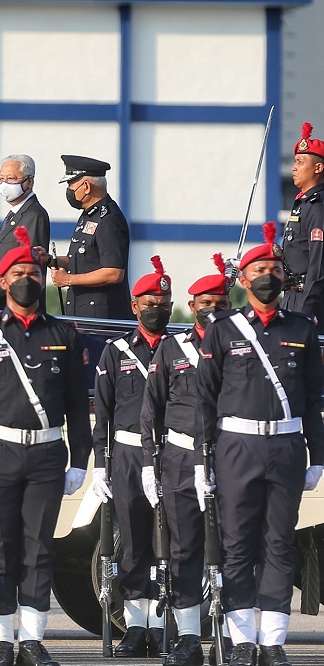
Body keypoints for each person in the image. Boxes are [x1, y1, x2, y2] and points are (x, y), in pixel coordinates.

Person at [0, 227, 90, 666]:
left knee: (38, 548)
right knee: (0, 548)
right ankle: (0, 641)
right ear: (5, 280)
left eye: (34, 271)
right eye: (19, 272)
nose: (28, 278)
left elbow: (74, 402)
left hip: (48, 456)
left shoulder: (65, 333)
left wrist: (80, 460)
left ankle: (31, 639)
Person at [196, 222, 323, 666]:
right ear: (244, 279)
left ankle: (272, 641)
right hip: (236, 448)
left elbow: (312, 397)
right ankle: (242, 639)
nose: (268, 275)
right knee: (237, 544)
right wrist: (203, 459)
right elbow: (205, 399)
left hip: (286, 449)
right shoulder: (222, 329)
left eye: (274, 267)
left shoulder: (303, 328)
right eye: (259, 269)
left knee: (279, 543)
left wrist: (318, 456)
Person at [140, 255, 231, 666]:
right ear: (192, 306)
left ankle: (233, 633)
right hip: (179, 455)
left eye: (222, 302)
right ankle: (190, 637)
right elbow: (151, 409)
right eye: (206, 303)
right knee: (184, 548)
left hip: (228, 455)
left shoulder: (241, 344)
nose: (214, 310)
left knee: (234, 546)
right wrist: (148, 462)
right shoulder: (172, 348)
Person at [90, 256, 173, 657]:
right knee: (135, 541)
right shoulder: (116, 351)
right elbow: (101, 413)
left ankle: (162, 625)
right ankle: (137, 626)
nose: (157, 308)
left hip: (173, 451)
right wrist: (101, 464)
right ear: (135, 306)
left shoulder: (180, 349)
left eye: (164, 301)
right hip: (126, 453)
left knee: (171, 541)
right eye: (150, 302)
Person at [50, 155, 132, 320]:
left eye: (71, 184)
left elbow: (113, 273)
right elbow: (83, 260)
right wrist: (49, 260)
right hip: (81, 316)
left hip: (102, 321)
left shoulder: (109, 219)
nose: (69, 190)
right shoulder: (88, 215)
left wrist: (68, 279)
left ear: (86, 186)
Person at [0, 155, 51, 302]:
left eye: (11, 179)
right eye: (0, 179)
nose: (4, 184)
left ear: (29, 181)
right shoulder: (14, 214)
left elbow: (28, 268)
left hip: (16, 305)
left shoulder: (34, 215)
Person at [281, 122, 324, 329]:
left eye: (300, 161)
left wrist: (306, 313)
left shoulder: (318, 206)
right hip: (291, 298)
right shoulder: (304, 204)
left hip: (308, 304)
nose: (294, 167)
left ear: (318, 167)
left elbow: (318, 266)